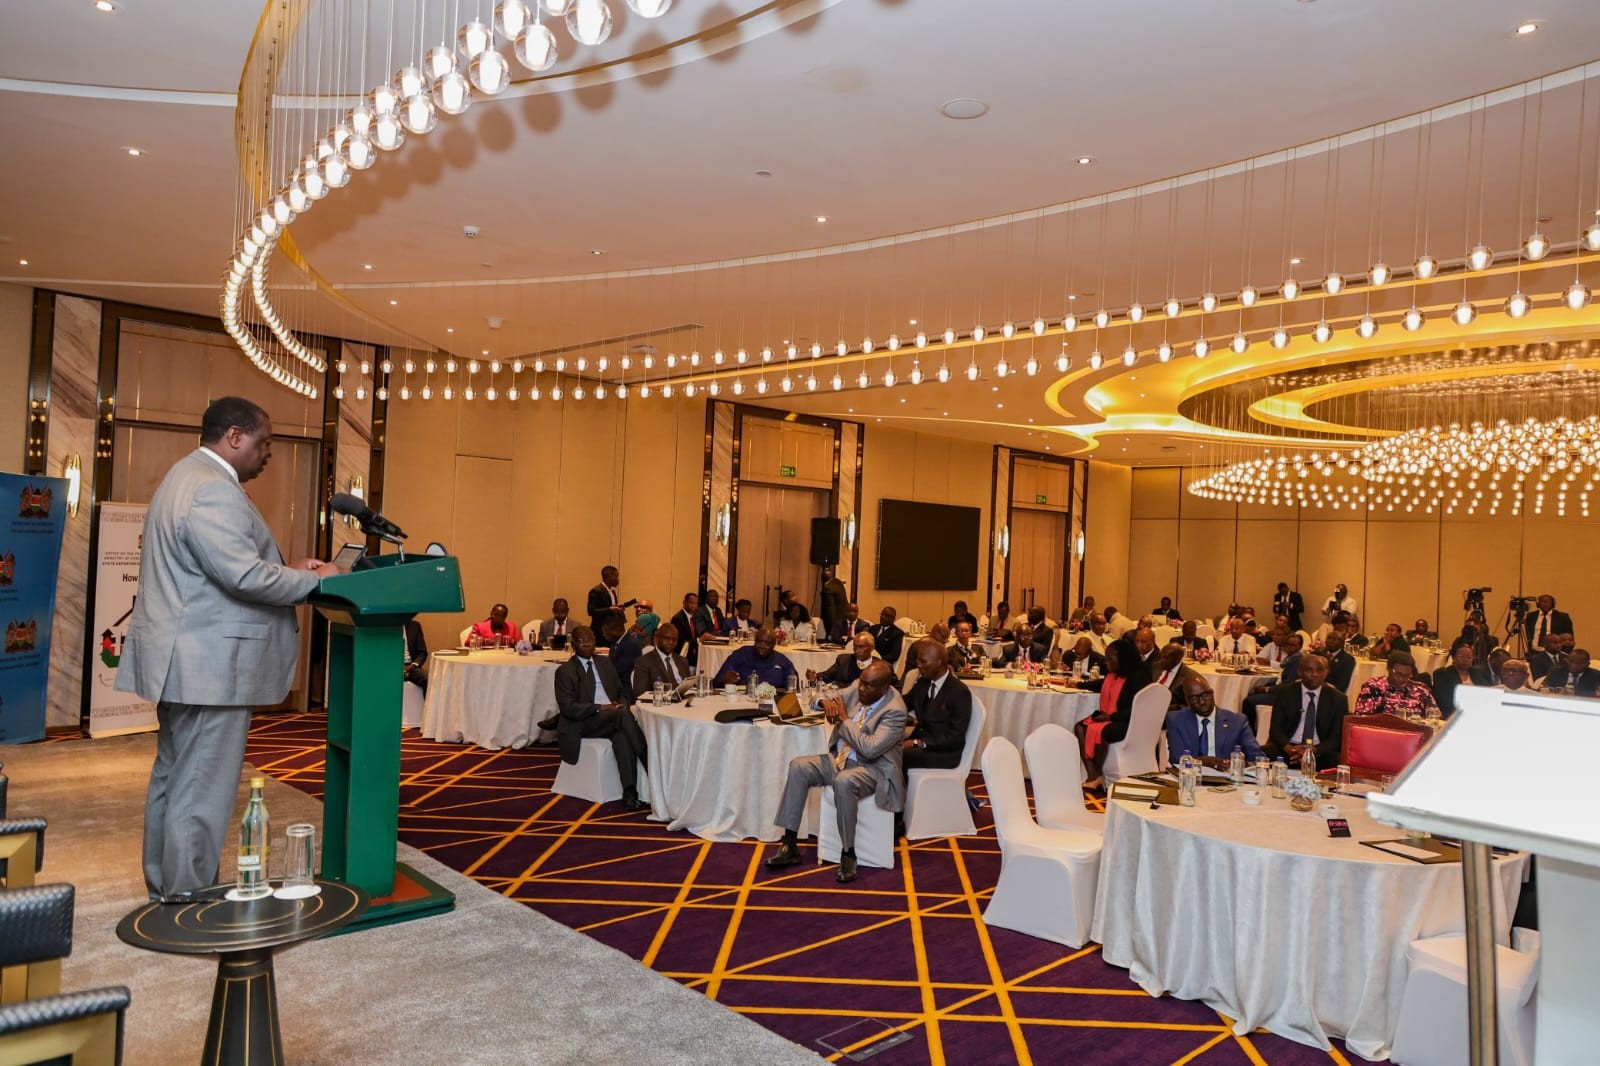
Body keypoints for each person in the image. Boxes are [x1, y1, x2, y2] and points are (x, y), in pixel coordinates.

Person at [118, 396, 337, 901]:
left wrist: (290, 570)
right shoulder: (211, 489)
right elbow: (241, 575)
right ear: (235, 437)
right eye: (264, 444)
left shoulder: (186, 477)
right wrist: (317, 583)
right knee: (201, 789)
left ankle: (167, 889)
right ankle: (187, 899)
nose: (269, 455)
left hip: (189, 662)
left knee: (174, 779)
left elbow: (226, 567)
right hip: (209, 667)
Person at [764, 661, 906, 883]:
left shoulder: (895, 711)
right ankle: (789, 845)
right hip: (840, 759)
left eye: (868, 687)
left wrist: (843, 719)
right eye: (861, 683)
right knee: (799, 766)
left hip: (872, 769)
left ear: (884, 688)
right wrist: (824, 702)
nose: (861, 689)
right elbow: (820, 696)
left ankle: (848, 853)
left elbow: (870, 749)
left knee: (844, 781)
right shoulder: (859, 687)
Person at [553, 626, 648, 811]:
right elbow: (569, 708)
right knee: (621, 717)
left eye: (591, 641)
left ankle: (629, 792)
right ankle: (648, 760)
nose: (588, 645)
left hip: (612, 717)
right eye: (582, 642)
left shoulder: (605, 663)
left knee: (621, 735)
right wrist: (602, 708)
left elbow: (622, 690)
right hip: (583, 722)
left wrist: (621, 703)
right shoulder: (565, 671)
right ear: (573, 644)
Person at [898, 640, 973, 831]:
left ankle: (897, 815)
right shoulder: (923, 683)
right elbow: (903, 704)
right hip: (923, 744)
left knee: (897, 755)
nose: (918, 666)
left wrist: (918, 743)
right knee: (887, 747)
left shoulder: (959, 692)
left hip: (944, 753)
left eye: (923, 662)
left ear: (938, 662)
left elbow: (955, 737)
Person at [1265, 653, 1347, 770]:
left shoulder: (1338, 699)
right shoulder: (1285, 693)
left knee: (1337, 761)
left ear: (1326, 672)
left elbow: (1337, 737)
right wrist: (1290, 749)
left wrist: (1312, 751)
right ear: (1299, 672)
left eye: (1320, 670)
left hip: (1319, 751)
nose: (1315, 675)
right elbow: (1276, 729)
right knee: (1262, 754)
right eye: (1309, 670)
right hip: (1288, 749)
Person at [1074, 641, 1136, 789]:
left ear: (1121, 659)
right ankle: (1094, 774)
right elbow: (1100, 684)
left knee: (1102, 731)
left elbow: (1135, 709)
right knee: (1080, 727)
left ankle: (1096, 775)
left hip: (1127, 721)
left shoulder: (1137, 678)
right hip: (1111, 717)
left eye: (1110, 659)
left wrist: (1110, 717)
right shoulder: (1114, 675)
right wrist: (1079, 684)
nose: (1106, 662)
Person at [1166, 675, 1265, 766]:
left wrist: (1236, 765)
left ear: (1212, 693)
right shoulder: (1176, 720)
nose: (1202, 702)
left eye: (1205, 695)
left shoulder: (1237, 721)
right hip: (1190, 776)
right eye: (1194, 699)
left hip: (1226, 778)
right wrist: (1204, 762)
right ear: (1187, 701)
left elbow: (1257, 757)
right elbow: (1175, 758)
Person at [1353, 652, 1439, 717]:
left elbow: (1434, 716)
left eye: (1406, 675)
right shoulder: (1373, 686)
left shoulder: (1421, 690)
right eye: (1398, 674)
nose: (1401, 678)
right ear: (1388, 669)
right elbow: (1361, 717)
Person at [713, 626, 797, 689]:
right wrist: (725, 680)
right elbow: (716, 682)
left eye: (767, 643)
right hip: (743, 701)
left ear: (773, 645)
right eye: (759, 642)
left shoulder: (782, 661)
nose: (762, 646)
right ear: (754, 641)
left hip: (773, 701)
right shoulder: (741, 654)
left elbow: (793, 687)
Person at [1432, 641, 1495, 717]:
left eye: (1469, 657)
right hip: (1454, 714)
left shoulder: (1477, 673)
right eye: (1461, 656)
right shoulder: (1443, 674)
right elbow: (1445, 702)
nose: (1465, 660)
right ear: (1453, 658)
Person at [631, 622, 692, 699]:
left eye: (674, 640)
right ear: (657, 638)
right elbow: (640, 693)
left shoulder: (683, 661)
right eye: (667, 638)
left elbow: (689, 688)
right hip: (660, 705)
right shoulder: (643, 662)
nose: (671, 642)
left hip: (683, 703)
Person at [811, 631, 882, 687]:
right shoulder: (843, 660)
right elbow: (827, 675)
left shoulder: (881, 667)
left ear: (872, 647)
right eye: (855, 647)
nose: (857, 650)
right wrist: (814, 677)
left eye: (861, 647)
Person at [587, 566, 633, 646]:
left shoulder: (612, 592)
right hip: (601, 632)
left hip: (612, 631)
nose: (618, 580)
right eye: (616, 576)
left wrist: (618, 608)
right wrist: (610, 609)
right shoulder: (596, 591)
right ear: (609, 577)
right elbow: (591, 611)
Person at [1151, 643, 1201, 710]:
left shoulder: (1189, 677)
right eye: (1161, 656)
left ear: (1177, 659)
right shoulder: (1156, 667)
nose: (1161, 661)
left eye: (1166, 658)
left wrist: (1164, 708)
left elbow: (1189, 707)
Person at [606, 614, 645, 689]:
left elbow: (617, 672)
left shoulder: (631, 645)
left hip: (625, 688)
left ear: (617, 630)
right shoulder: (616, 642)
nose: (604, 635)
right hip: (615, 685)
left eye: (606, 632)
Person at [668, 592, 701, 668]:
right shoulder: (678, 619)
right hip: (682, 658)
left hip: (692, 657)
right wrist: (699, 640)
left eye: (696, 604)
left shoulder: (693, 617)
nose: (694, 606)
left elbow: (693, 635)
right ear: (684, 602)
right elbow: (680, 642)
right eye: (691, 603)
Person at [1320, 628, 1357, 693]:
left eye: (1334, 639)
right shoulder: (1318, 654)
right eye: (1328, 638)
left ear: (1342, 642)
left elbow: (1342, 685)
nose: (1330, 641)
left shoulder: (1347, 659)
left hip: (1332, 692)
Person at [819, 566, 849, 639]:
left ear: (822, 580)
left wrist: (831, 630)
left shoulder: (828, 588)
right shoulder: (838, 583)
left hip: (834, 622)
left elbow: (830, 610)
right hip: (843, 619)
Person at [404, 619, 429, 693]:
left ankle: (427, 704)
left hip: (410, 667)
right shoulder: (386, 626)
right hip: (392, 667)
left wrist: (413, 665)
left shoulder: (415, 626)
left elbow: (422, 652)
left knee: (428, 678)